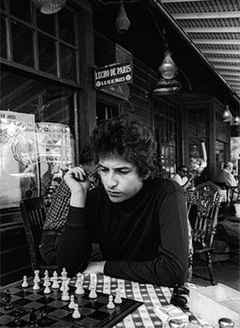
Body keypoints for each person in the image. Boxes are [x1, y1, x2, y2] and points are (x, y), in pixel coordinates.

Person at [57, 114, 189, 287]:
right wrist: (78, 197)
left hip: (161, 296)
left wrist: (104, 266)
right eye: (104, 170)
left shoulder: (167, 194)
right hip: (114, 293)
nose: (110, 182)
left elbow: (173, 272)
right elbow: (68, 268)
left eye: (122, 171)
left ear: (145, 172)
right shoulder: (96, 198)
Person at [39, 144, 99, 265]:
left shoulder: (78, 174)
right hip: (56, 246)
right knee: (106, 252)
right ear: (95, 163)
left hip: (53, 241)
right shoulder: (80, 178)